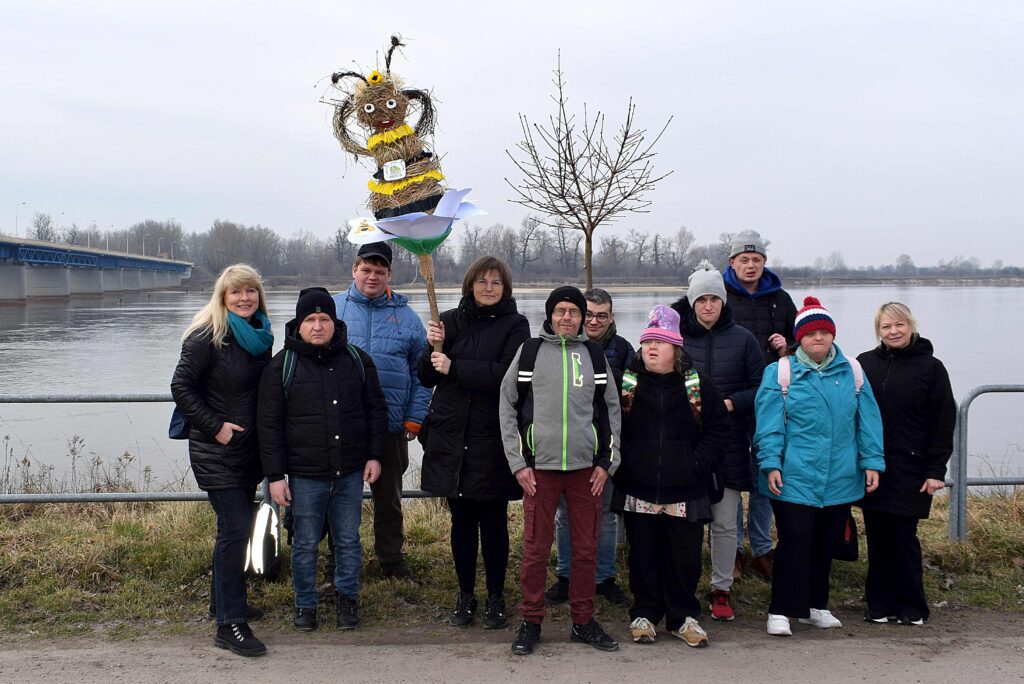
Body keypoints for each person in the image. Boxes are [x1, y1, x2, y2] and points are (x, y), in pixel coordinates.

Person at [498, 286, 622, 655]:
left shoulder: (594, 355)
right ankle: (531, 621)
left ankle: (583, 621)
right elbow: (507, 406)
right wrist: (518, 464)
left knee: (585, 550)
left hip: (587, 472)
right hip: (539, 471)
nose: (567, 317)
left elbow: (611, 411)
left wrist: (607, 463)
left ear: (583, 317)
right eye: (560, 311)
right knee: (536, 550)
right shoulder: (530, 352)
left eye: (574, 311)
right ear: (550, 315)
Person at [754, 296, 885, 637]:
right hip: (794, 474)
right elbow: (768, 424)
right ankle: (781, 610)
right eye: (811, 333)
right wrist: (770, 463)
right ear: (800, 337)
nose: (818, 338)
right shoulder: (780, 373)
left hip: (840, 474)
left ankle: (816, 606)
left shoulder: (852, 371)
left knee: (825, 542)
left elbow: (868, 421)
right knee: (794, 541)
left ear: (832, 335)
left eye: (824, 333)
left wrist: (872, 461)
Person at [259, 287, 388, 632]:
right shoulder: (281, 367)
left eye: (324, 319)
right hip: (305, 475)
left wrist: (375, 456)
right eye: (310, 320)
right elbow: (269, 427)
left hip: (350, 471)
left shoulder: (357, 360)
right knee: (304, 544)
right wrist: (275, 476)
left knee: (348, 540)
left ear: (335, 322)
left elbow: (376, 411)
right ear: (298, 324)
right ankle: (305, 603)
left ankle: (347, 599)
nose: (318, 326)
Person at [417, 256, 530, 629]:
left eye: (496, 282)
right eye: (482, 281)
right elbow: (426, 376)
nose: (488, 288)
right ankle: (465, 595)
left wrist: (456, 367)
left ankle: (496, 596)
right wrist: (431, 347)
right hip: (451, 434)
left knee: (494, 521)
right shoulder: (448, 321)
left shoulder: (516, 325)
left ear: (505, 288)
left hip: (491, 435)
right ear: (470, 285)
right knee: (461, 521)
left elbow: (507, 375)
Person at [170, 264, 273, 657]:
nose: (244, 298)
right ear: (223, 297)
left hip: (247, 451)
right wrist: (216, 427)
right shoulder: (206, 335)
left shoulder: (260, 335)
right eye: (236, 292)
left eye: (250, 291)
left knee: (233, 529)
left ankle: (223, 602)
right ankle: (230, 625)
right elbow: (181, 386)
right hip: (217, 450)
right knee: (236, 529)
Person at [614, 305, 731, 647]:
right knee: (643, 555)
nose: (651, 347)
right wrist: (630, 462)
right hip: (638, 487)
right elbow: (613, 431)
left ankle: (683, 617)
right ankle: (645, 614)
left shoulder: (698, 386)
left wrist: (695, 464)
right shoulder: (627, 385)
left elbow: (719, 432)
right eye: (647, 341)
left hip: (687, 490)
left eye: (660, 342)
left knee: (684, 558)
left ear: (676, 348)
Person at [673, 261, 764, 621]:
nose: (708, 306)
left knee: (725, 521)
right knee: (686, 523)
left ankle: (721, 588)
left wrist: (730, 403)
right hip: (686, 444)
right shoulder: (677, 339)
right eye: (701, 300)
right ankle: (681, 587)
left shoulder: (743, 340)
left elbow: (761, 388)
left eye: (714, 299)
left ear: (723, 302)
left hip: (729, 444)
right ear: (692, 302)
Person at [333, 242, 430, 579]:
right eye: (366, 270)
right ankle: (338, 560)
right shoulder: (333, 311)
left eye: (380, 271)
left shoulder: (408, 318)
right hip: (340, 425)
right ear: (354, 270)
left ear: (389, 275)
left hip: (390, 425)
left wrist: (414, 417)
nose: (372, 276)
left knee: (388, 498)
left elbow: (422, 374)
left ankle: (391, 560)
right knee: (339, 497)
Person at [857, 302, 956, 625]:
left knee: (903, 537)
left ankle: (912, 605)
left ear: (910, 326)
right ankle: (879, 604)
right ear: (878, 331)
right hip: (874, 466)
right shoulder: (864, 364)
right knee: (877, 536)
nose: (893, 331)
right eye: (886, 327)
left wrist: (936, 470)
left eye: (899, 325)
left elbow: (943, 421)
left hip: (913, 467)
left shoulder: (931, 368)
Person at [546, 287, 634, 608]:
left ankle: (604, 578)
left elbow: (629, 398)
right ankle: (566, 576)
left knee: (606, 514)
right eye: (590, 315)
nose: (595, 321)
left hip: (606, 445)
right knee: (565, 515)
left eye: (602, 316)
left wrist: (615, 449)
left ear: (611, 317)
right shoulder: (561, 347)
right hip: (569, 446)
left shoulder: (624, 350)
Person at [723, 229, 798, 581]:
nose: (750, 265)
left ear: (764, 262)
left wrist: (787, 348)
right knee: (732, 477)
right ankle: (732, 550)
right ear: (732, 262)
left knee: (766, 473)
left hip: (771, 399)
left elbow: (804, 344)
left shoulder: (780, 299)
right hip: (731, 398)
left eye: (756, 260)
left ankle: (762, 548)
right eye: (744, 259)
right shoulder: (719, 296)